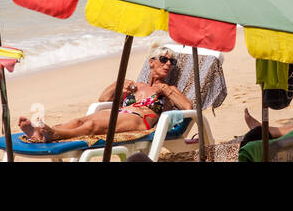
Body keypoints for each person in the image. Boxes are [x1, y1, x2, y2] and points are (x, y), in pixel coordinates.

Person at [17, 48, 192, 142]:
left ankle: (55, 134)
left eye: (172, 61)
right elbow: (103, 99)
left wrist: (165, 90)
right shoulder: (135, 85)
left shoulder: (170, 90)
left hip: (139, 120)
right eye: (164, 59)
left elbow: (188, 107)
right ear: (151, 63)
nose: (168, 64)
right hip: (119, 114)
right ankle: (39, 134)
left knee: (93, 125)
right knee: (80, 121)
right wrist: (119, 86)